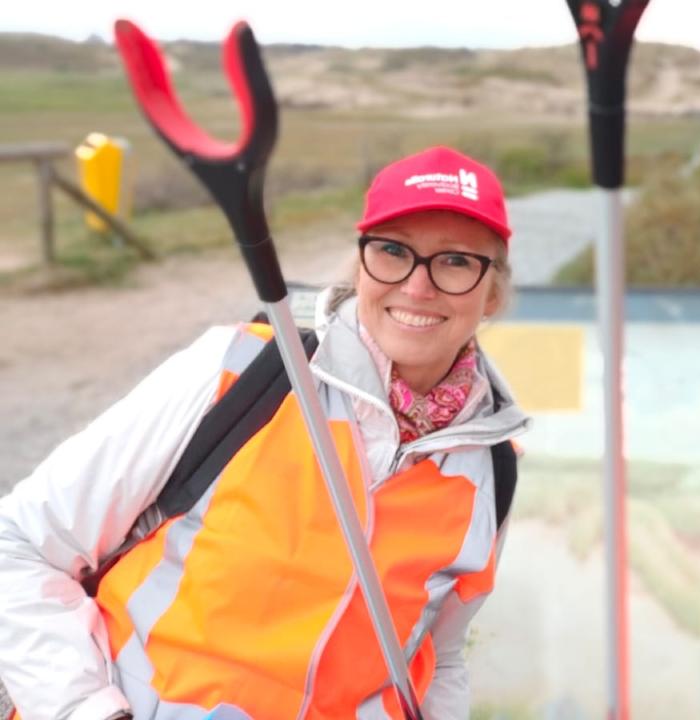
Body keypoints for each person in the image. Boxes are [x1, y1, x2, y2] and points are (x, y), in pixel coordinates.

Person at [0, 146, 530, 720]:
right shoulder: (243, 369)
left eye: (455, 261)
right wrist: (85, 710)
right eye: (393, 250)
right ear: (360, 266)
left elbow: (440, 659)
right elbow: (21, 546)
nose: (418, 287)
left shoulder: (491, 465)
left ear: (493, 292)